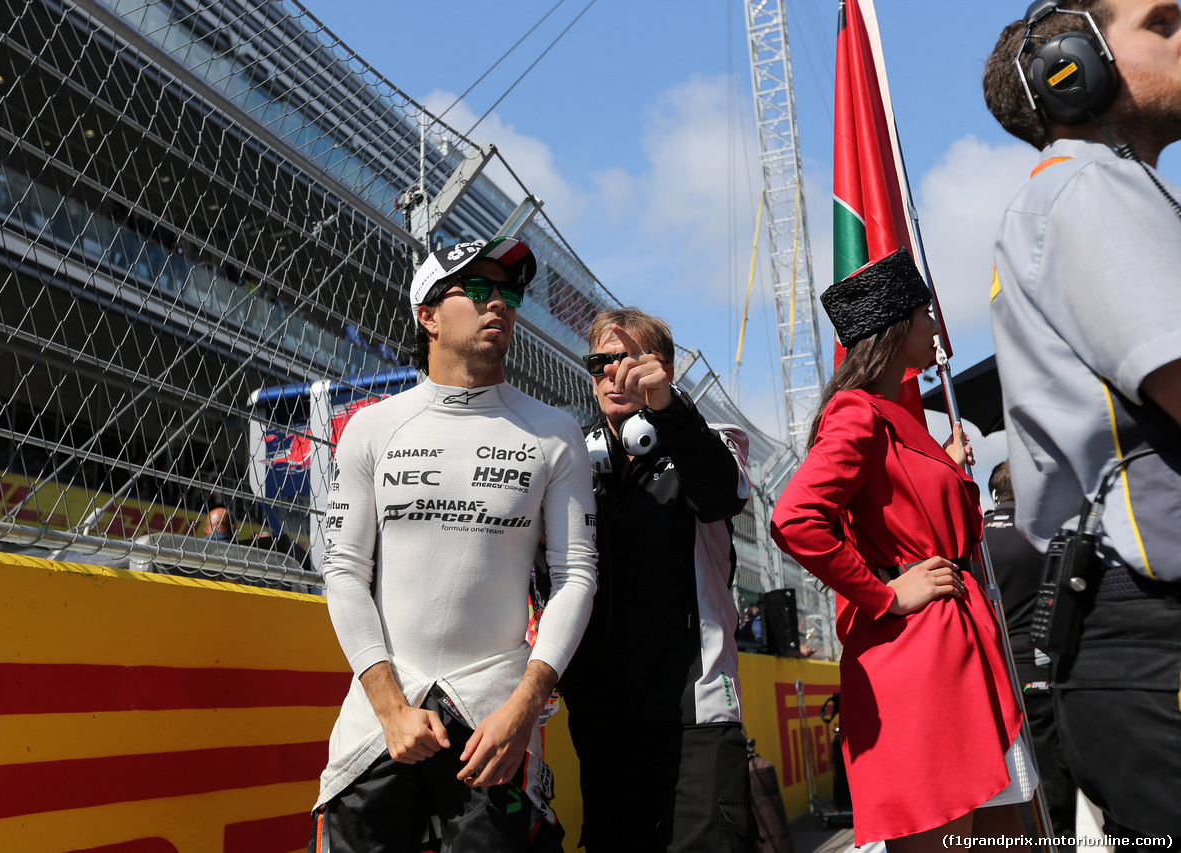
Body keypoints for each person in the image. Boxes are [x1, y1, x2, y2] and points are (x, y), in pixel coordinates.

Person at [308, 237, 598, 852]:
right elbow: (342, 571)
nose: (501, 304)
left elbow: (576, 576)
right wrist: (389, 708)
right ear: (428, 315)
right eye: (480, 290)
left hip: (495, 722)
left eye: (510, 293)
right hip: (378, 726)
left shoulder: (555, 431)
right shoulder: (371, 427)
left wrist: (524, 708)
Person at [984, 0, 1181, 838]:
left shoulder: (1097, 191)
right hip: (1153, 628)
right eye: (1163, 23)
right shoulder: (1090, 186)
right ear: (1073, 66)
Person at [770, 248, 1027, 848]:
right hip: (922, 654)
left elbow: (929, 516)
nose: (937, 326)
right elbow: (795, 518)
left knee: (1005, 835)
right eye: (925, 315)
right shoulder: (858, 412)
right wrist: (884, 595)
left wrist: (952, 472)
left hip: (963, 644)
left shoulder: (893, 414)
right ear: (895, 328)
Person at [559, 307, 755, 852]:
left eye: (631, 360)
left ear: (663, 368)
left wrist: (669, 410)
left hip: (695, 715)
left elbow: (720, 496)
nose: (615, 375)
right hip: (602, 723)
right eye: (601, 363)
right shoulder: (572, 459)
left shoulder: (711, 439)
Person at [984, 462, 1077, 847]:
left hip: (988, 673)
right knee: (1052, 783)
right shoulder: (1042, 535)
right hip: (1037, 669)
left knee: (1008, 782)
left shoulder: (971, 536)